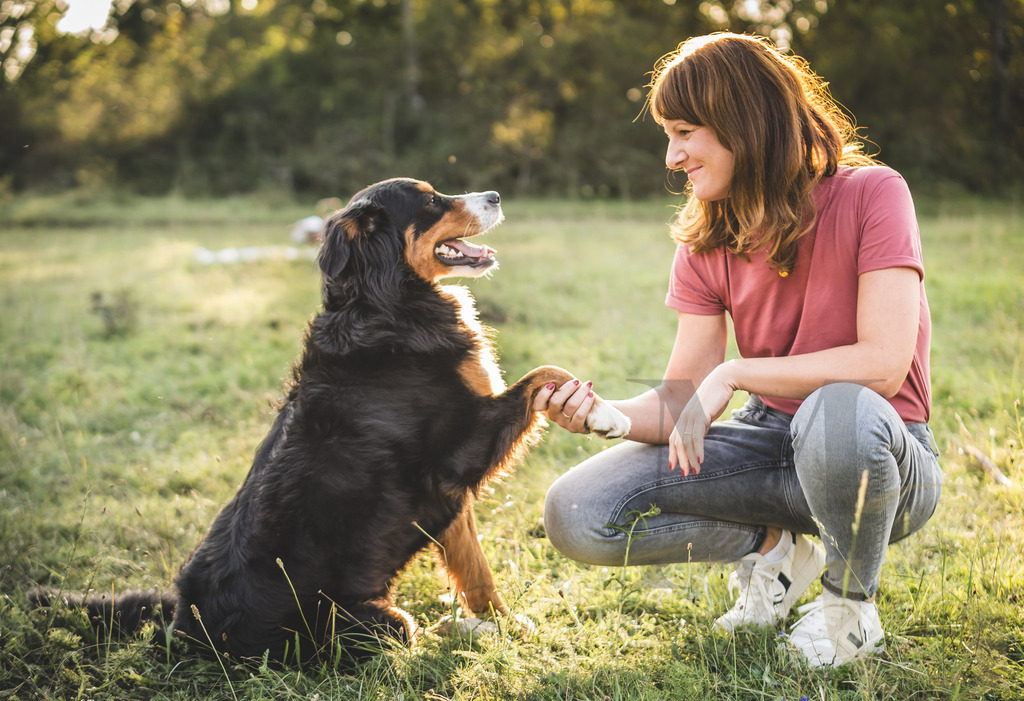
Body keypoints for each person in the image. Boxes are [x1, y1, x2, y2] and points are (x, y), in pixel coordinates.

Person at [535, 32, 942, 668]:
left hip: (879, 454)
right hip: (768, 445)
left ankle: (848, 610)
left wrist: (736, 371)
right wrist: (602, 414)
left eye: (683, 132)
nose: (672, 157)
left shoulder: (874, 194)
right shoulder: (707, 237)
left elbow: (883, 365)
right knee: (578, 512)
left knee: (838, 410)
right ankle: (779, 552)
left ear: (742, 122)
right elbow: (679, 400)